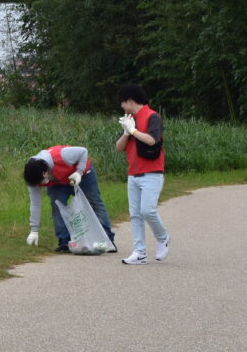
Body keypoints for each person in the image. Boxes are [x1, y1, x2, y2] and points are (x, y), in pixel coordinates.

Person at [114, 83, 170, 265]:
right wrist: (126, 132)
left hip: (152, 172)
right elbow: (119, 147)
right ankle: (140, 252)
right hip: (133, 173)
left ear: (130, 101)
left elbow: (152, 140)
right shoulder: (130, 119)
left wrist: (133, 131)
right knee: (135, 214)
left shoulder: (153, 117)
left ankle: (163, 238)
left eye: (123, 103)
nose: (122, 107)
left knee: (147, 210)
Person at [23, 145, 116, 253]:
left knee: (94, 203)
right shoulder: (32, 177)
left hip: (83, 175)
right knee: (57, 205)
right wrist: (34, 230)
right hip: (58, 182)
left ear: (45, 173)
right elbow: (35, 204)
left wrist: (79, 172)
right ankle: (64, 242)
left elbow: (83, 151)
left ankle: (107, 239)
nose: (40, 185)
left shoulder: (63, 156)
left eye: (40, 182)